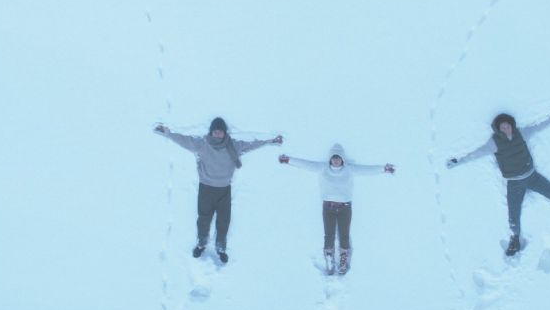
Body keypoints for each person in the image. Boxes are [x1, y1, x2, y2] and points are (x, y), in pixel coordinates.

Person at [446, 106, 550, 256]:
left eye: (507, 125)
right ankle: (515, 239)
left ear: (511, 125)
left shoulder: (522, 133)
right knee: (513, 212)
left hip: (532, 176)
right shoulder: (494, 143)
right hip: (514, 183)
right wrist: (458, 160)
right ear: (498, 129)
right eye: (502, 127)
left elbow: (539, 126)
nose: (506, 128)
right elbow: (477, 153)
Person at [154, 117, 282, 263]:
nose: (217, 134)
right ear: (211, 132)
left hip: (224, 190)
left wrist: (271, 141)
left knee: (223, 221)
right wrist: (167, 133)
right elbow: (184, 140)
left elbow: (251, 145)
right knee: (203, 219)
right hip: (206, 189)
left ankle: (221, 248)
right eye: (215, 132)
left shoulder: (233, 145)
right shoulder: (202, 144)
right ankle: (201, 244)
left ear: (224, 133)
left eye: (220, 132)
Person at [278, 144, 395, 275]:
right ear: (330, 159)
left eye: (338, 158)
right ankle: (329, 258)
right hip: (328, 207)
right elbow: (306, 164)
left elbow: (366, 170)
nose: (335, 160)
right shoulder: (323, 168)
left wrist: (384, 169)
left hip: (345, 207)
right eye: (333, 158)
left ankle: (343, 260)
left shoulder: (349, 169)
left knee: (344, 235)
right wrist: (288, 160)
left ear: (342, 159)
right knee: (329, 235)